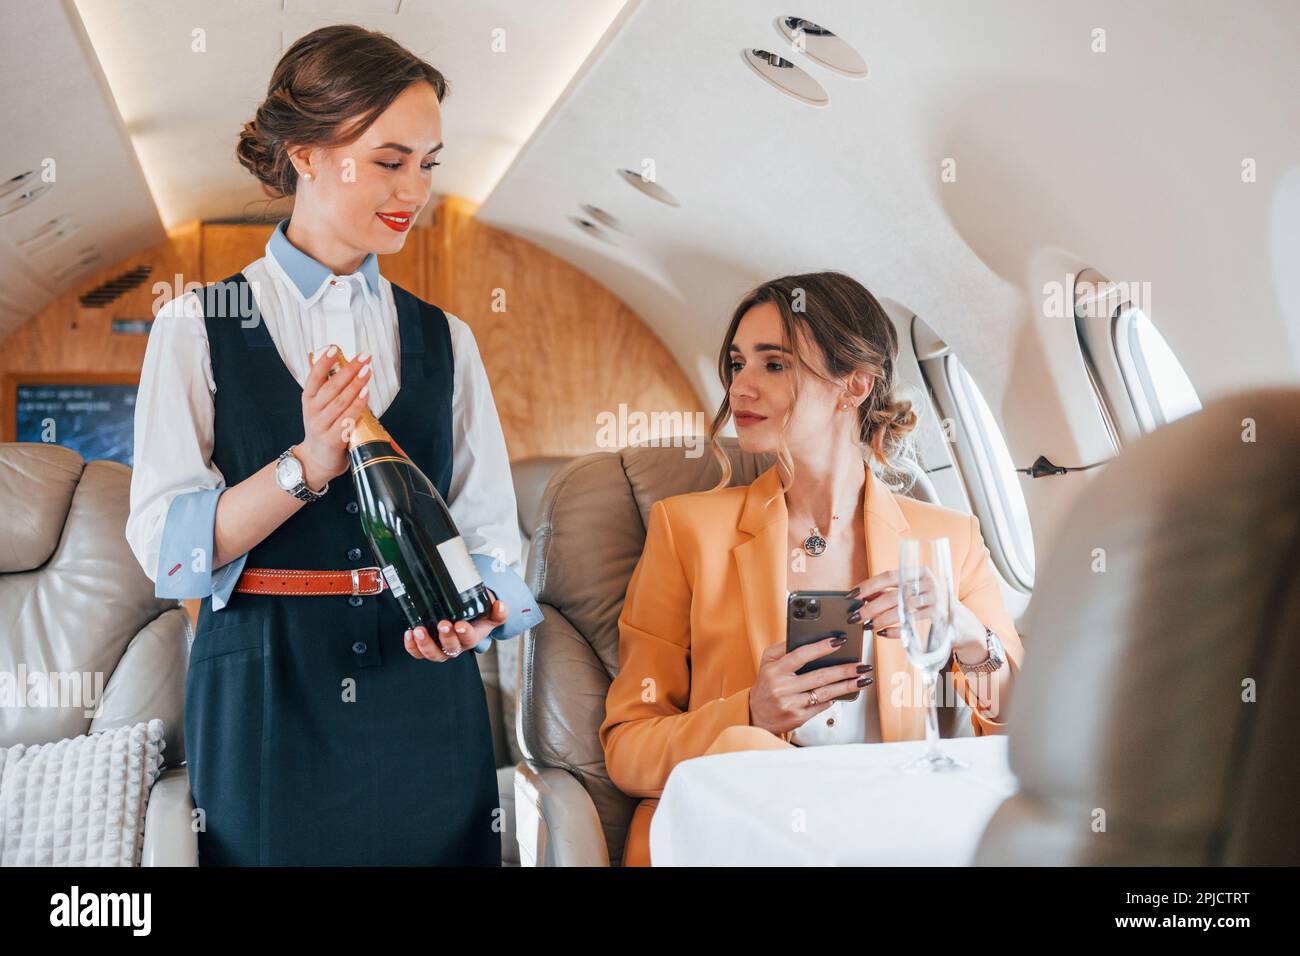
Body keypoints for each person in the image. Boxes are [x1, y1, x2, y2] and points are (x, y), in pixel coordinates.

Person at [126, 24, 527, 865]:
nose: (415, 190)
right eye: (389, 161)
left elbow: (490, 529)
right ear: (305, 155)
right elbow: (169, 551)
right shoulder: (194, 325)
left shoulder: (448, 338)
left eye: (429, 163)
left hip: (427, 689)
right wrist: (305, 465)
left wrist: (482, 614)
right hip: (266, 694)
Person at [600, 271, 1025, 866]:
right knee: (746, 745)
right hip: (735, 841)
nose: (741, 386)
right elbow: (628, 748)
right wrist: (749, 713)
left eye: (774, 365)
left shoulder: (949, 540)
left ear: (855, 385)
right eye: (737, 364)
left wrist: (966, 635)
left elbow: (1022, 735)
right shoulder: (686, 530)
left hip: (889, 836)